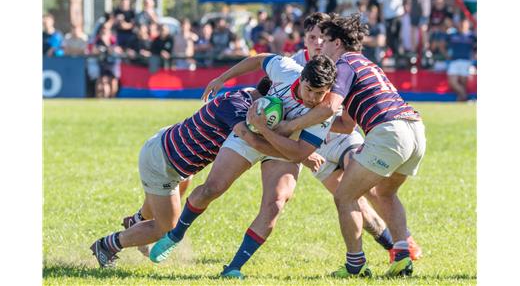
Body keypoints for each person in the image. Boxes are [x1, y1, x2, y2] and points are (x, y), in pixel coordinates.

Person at [149, 54, 338, 280]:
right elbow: (259, 60)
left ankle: (233, 268)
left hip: (284, 149)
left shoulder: (325, 111)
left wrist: (266, 130)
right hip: (251, 136)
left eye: (320, 93)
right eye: (309, 90)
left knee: (275, 203)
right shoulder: (287, 70)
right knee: (212, 188)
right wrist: (222, 78)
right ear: (302, 78)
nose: (313, 98)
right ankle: (175, 235)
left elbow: (298, 152)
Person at [90, 80, 270, 268]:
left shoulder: (247, 96)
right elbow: (252, 140)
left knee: (178, 189)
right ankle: (106, 245)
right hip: (162, 163)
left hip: (170, 153)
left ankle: (136, 221)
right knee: (165, 228)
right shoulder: (237, 108)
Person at [316, 14, 426, 278]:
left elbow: (330, 106)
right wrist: (313, 126)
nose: (321, 47)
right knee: (386, 193)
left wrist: (293, 122)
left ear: (339, 43)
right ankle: (401, 258)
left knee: (345, 196)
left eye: (326, 41)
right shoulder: (367, 63)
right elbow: (345, 124)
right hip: (415, 130)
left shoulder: (344, 63)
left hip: (389, 132)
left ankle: (355, 265)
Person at [446, 18, 476, 102]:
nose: (462, 25)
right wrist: (446, 54)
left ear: (468, 25)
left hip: (466, 62)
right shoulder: (452, 35)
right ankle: (465, 96)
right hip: (454, 61)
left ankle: (461, 98)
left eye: (464, 24)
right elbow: (443, 43)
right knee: (452, 82)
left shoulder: (472, 36)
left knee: (463, 82)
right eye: (461, 24)